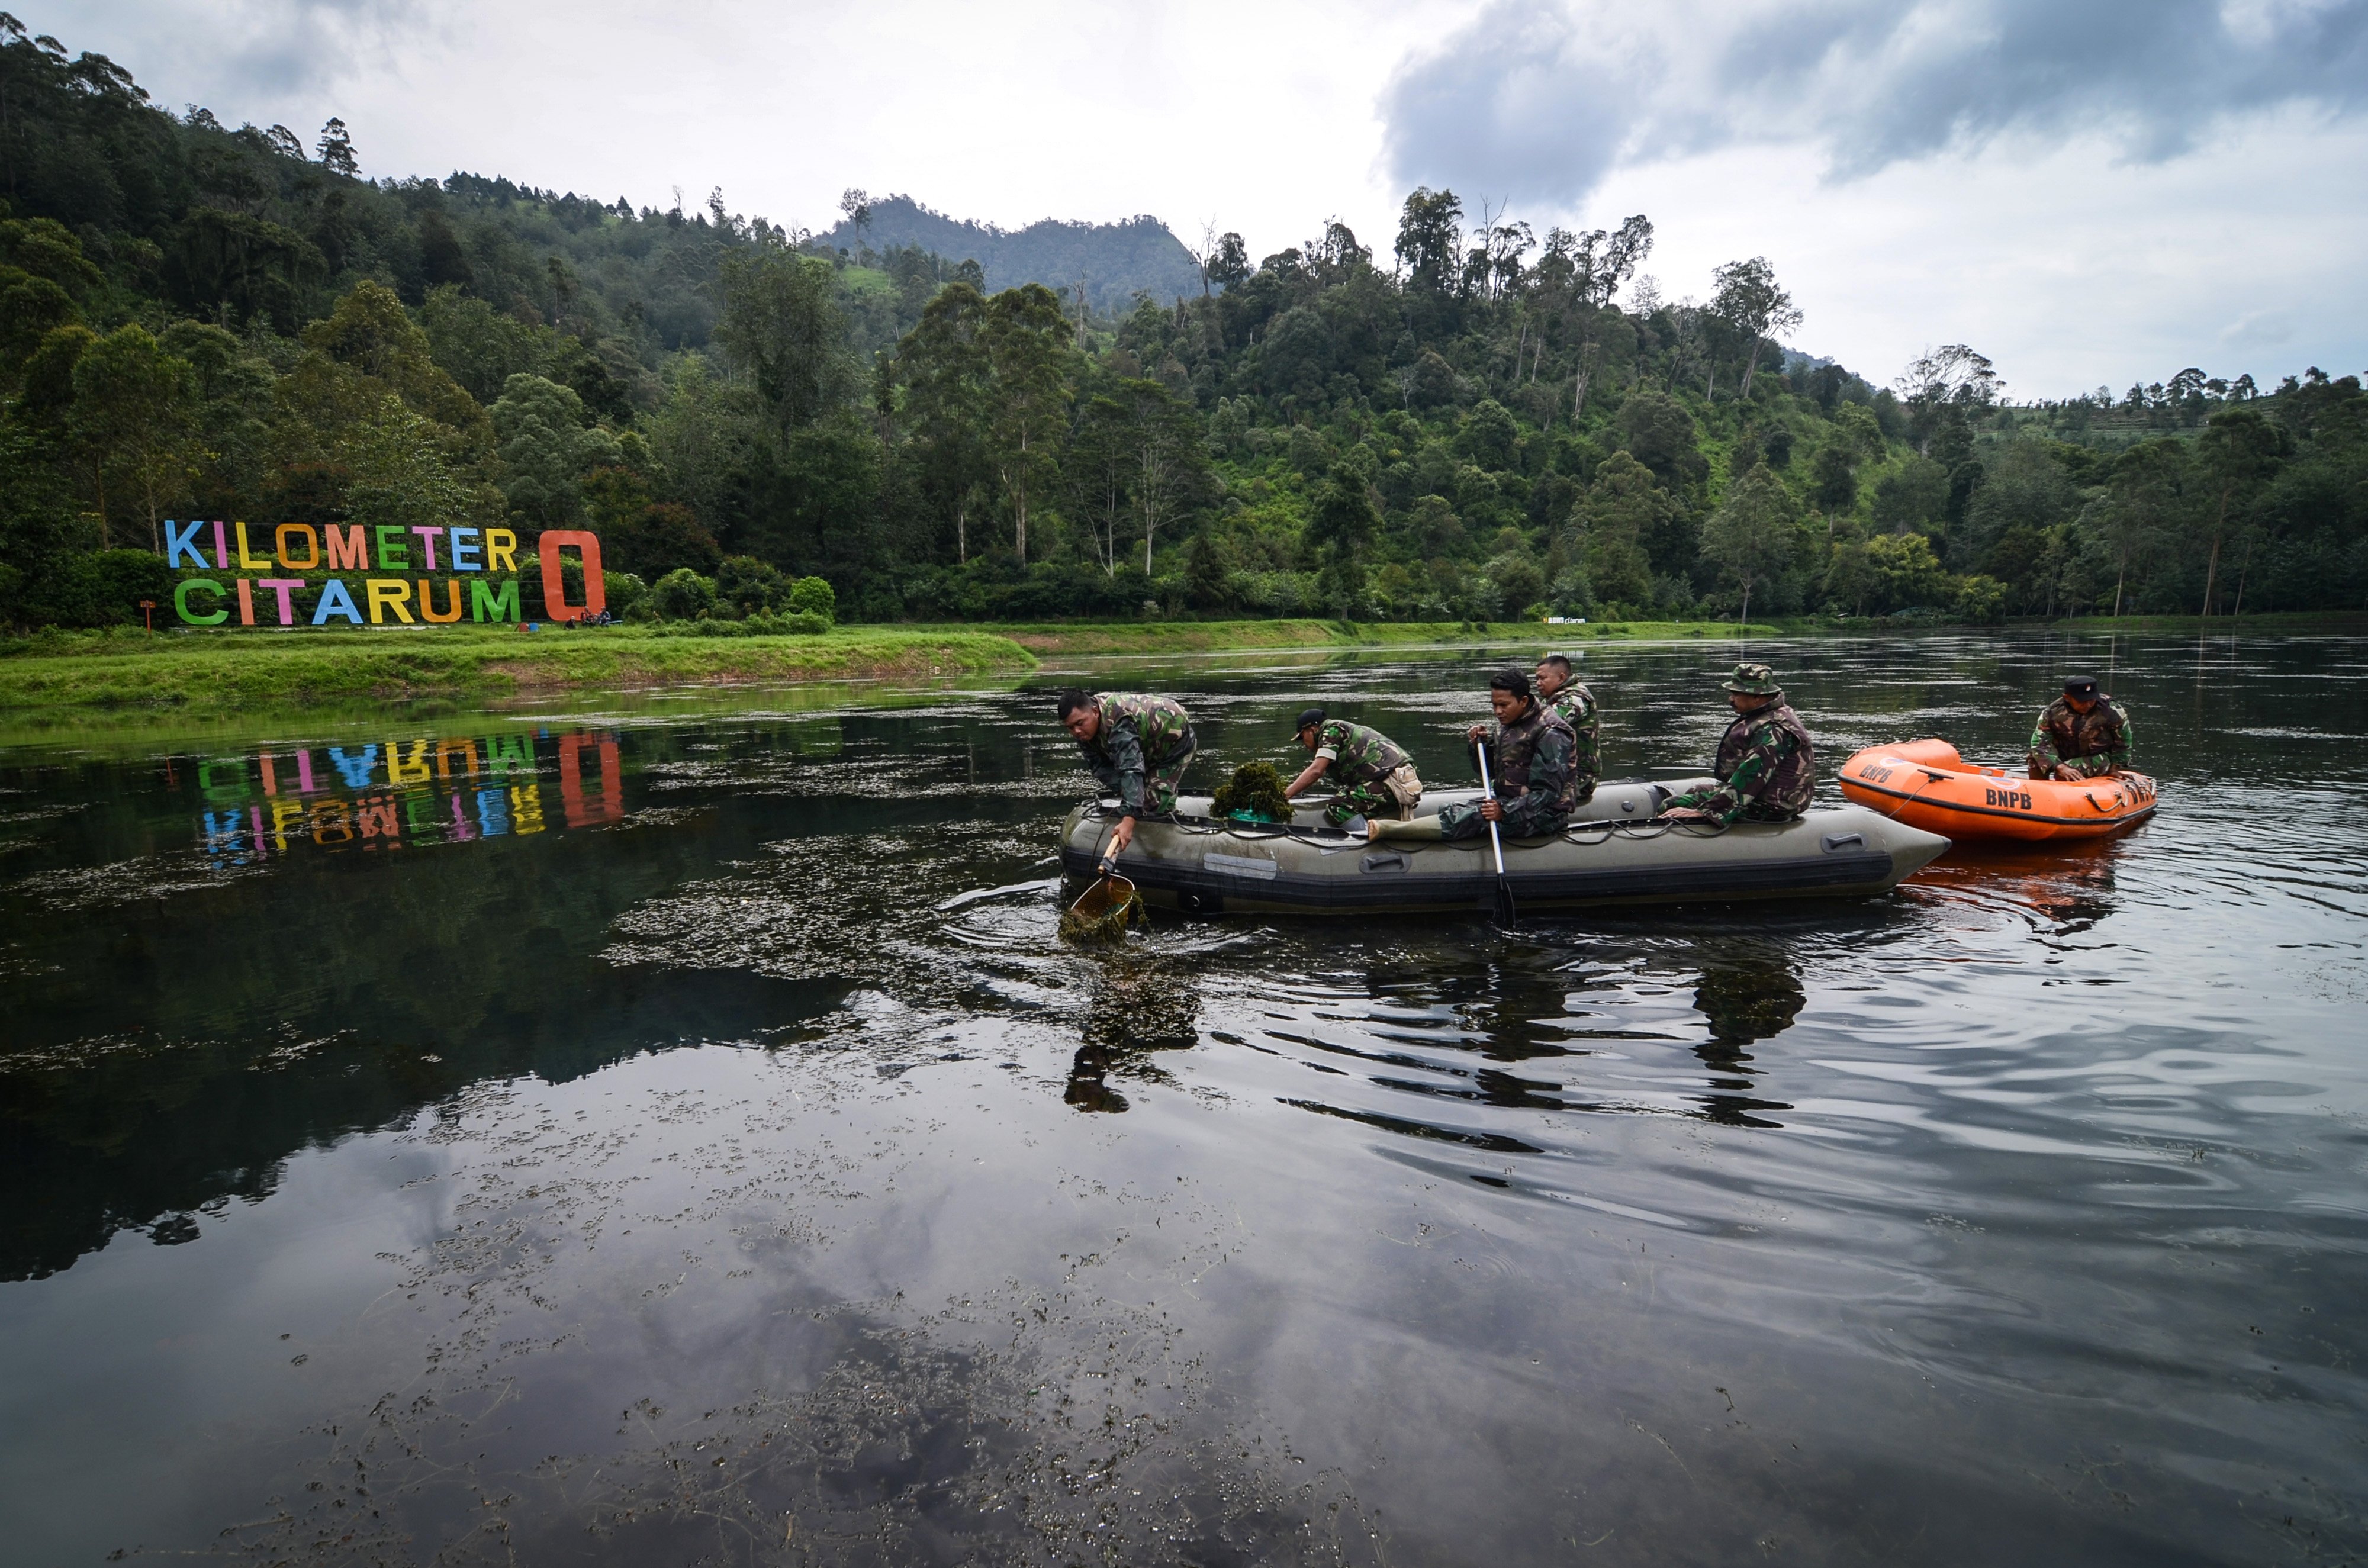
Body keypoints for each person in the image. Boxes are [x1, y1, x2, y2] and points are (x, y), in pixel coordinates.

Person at [1370, 668, 1578, 842]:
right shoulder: (1508, 725)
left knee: (1467, 818)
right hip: (1510, 801)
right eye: (1494, 705)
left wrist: (1504, 812)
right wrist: (1479, 746)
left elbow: (1547, 793)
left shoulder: (1551, 732)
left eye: (1504, 705)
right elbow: (1487, 772)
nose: (1498, 711)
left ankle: (1389, 831)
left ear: (1523, 701)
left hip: (1544, 814)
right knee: (1449, 808)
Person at [1662, 663, 1817, 826]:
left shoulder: (1772, 729)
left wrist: (1706, 812)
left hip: (1772, 806)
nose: (1731, 699)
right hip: (1768, 795)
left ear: (1757, 697)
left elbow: (1751, 776)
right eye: (1731, 693)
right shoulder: (1773, 712)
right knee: (1697, 791)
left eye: (1737, 694)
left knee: (1671, 805)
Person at [1057, 689, 1197, 858]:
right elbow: (1101, 768)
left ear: (1095, 712)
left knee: (1152, 806)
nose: (1077, 731)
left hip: (1174, 741)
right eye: (1070, 728)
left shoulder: (1118, 721)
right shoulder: (1084, 733)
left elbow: (1131, 768)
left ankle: (1173, 834)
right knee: (1137, 796)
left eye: (1080, 723)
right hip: (1146, 744)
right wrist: (1125, 791)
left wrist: (1129, 819)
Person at [1283, 707, 1423, 828]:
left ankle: (1365, 840)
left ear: (1312, 730)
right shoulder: (1342, 728)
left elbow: (1316, 771)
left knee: (1339, 806)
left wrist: (1285, 796)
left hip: (1393, 783)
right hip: (1401, 779)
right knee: (1346, 793)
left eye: (1302, 737)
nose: (1303, 743)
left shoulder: (1331, 732)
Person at [1529, 653, 1600, 806]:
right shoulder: (1553, 697)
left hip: (1578, 778)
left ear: (1561, 678)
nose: (1538, 683)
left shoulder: (1575, 699)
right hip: (1557, 772)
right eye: (1537, 679)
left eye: (1543, 678)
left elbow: (1542, 724)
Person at [2028, 675, 2131, 780]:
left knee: (2067, 773)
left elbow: (2123, 741)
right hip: (2065, 752)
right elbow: (2039, 744)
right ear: (2067, 698)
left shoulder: (2111, 710)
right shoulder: (2052, 712)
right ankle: (2038, 791)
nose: (2088, 705)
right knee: (2035, 758)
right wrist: (2059, 766)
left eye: (2092, 700)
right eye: (2082, 701)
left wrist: (2115, 768)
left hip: (2098, 756)